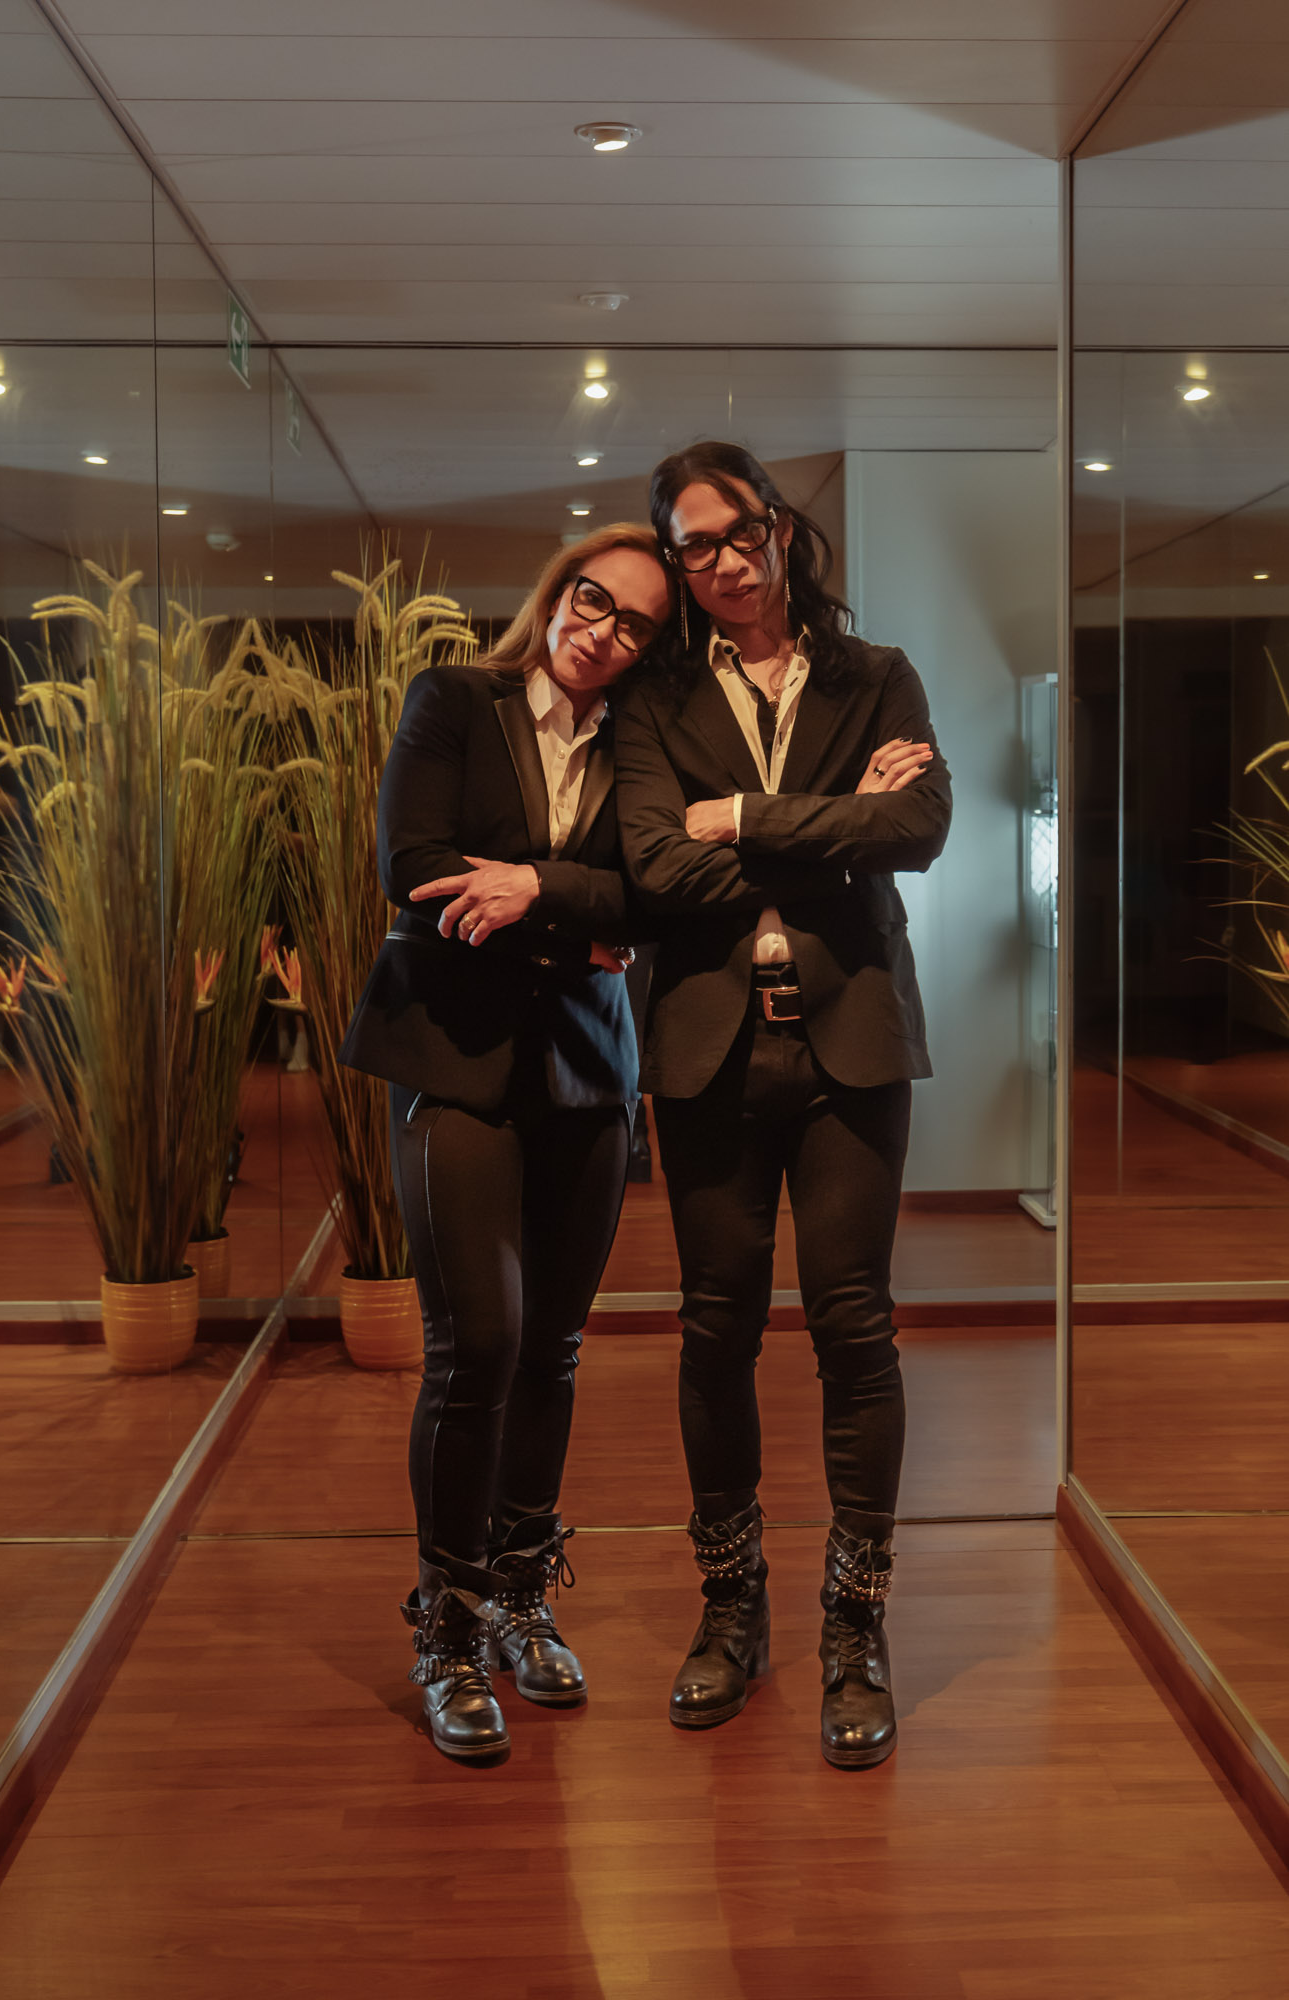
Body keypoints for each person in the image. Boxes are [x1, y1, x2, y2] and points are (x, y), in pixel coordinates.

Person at [613, 442, 951, 1769]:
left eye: (741, 529)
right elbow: (652, 870)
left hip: (851, 1041)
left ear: (783, 530)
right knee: (716, 1332)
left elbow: (915, 830)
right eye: (694, 545)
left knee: (855, 1329)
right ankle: (731, 1604)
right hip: (707, 1048)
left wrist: (740, 818)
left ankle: (855, 1626)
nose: (725, 560)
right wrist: (827, 826)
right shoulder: (650, 696)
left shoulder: (878, 676)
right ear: (677, 561)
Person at [340, 525, 673, 1762]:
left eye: (635, 622)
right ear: (557, 591)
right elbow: (413, 867)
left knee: (554, 1348)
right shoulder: (455, 701)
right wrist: (580, 922)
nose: (604, 629)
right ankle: (448, 1626)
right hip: (452, 1055)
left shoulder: (644, 744)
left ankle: (523, 1592)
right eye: (594, 598)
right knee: (476, 1341)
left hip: (586, 1070)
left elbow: (658, 891)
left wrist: (535, 890)